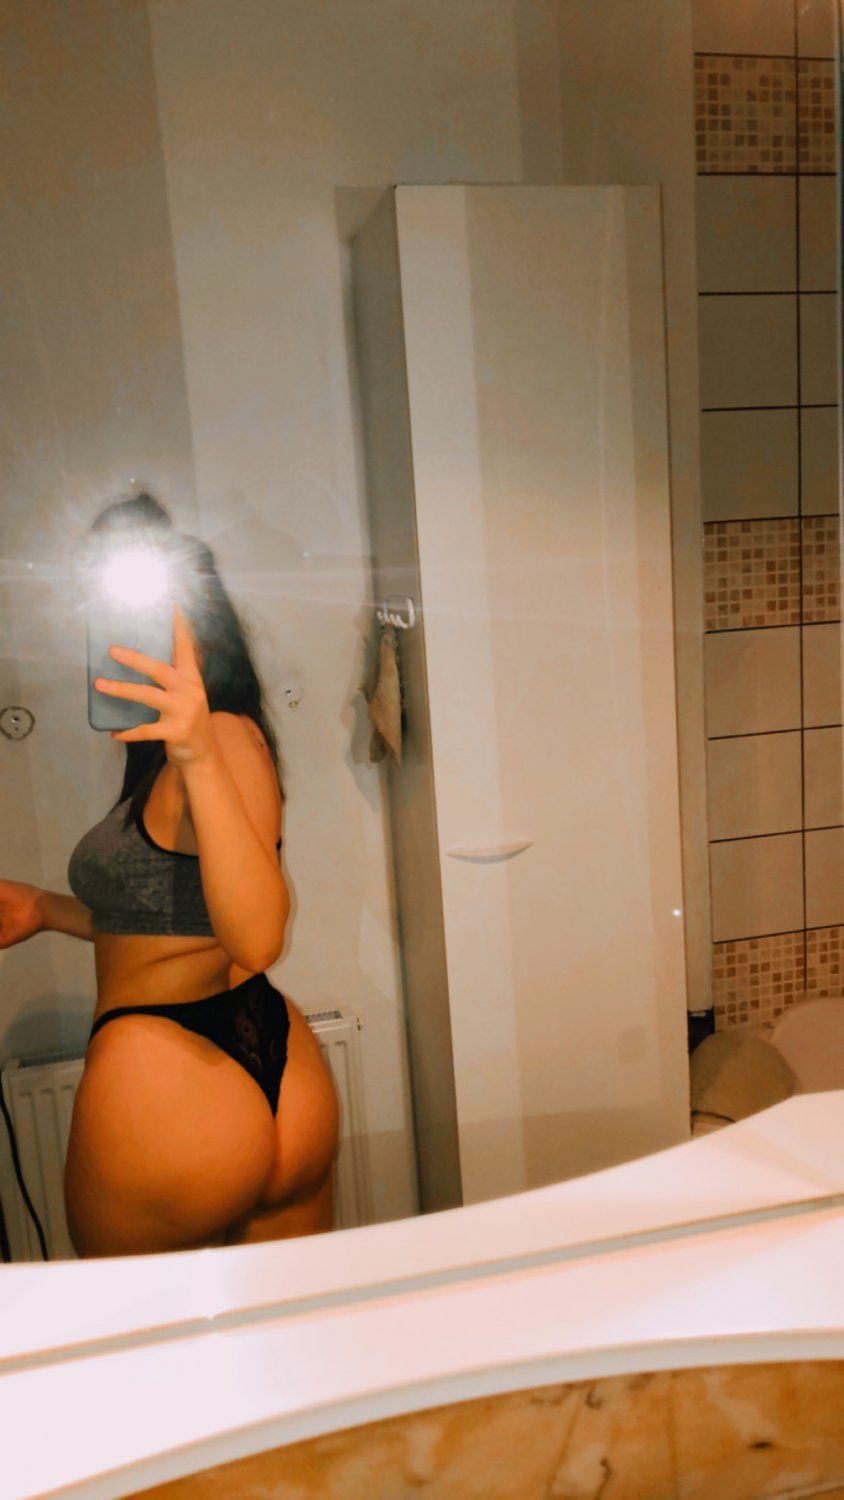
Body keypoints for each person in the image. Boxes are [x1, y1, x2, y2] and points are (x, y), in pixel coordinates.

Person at [0, 492, 340, 1258]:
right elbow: (175, 920)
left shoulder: (216, 739)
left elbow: (257, 937)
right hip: (269, 1061)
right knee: (291, 1323)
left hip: (165, 1081)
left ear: (201, 634)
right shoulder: (207, 745)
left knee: (139, 1331)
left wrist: (195, 754)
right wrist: (45, 909)